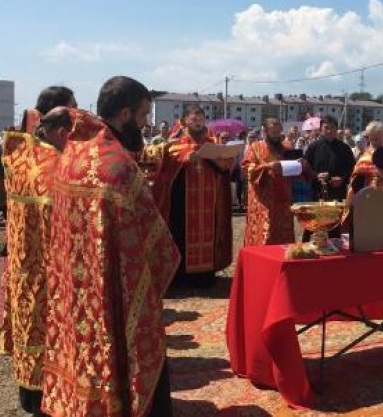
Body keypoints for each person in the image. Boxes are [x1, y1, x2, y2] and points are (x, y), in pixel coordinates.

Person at [41, 77, 180, 417]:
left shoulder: (74, 152)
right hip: (112, 292)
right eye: (142, 115)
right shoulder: (116, 164)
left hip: (76, 291)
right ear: (124, 114)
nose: (145, 123)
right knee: (122, 354)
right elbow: (155, 246)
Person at [0, 107, 72, 417]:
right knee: (44, 326)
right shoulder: (53, 166)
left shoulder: (19, 158)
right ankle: (44, 396)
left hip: (20, 262)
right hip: (45, 264)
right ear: (60, 133)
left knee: (28, 325)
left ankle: (28, 393)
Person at [143, 105, 233, 287]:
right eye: (194, 119)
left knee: (210, 234)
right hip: (183, 203)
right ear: (185, 122)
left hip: (210, 203)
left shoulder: (213, 144)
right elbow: (164, 168)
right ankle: (181, 277)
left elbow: (225, 167)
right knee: (180, 234)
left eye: (201, 119)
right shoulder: (174, 145)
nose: (198, 123)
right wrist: (184, 160)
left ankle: (206, 276)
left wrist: (219, 159)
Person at [241, 117, 297, 246]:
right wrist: (268, 166)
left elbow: (295, 171)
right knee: (265, 234)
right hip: (263, 200)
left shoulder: (286, 148)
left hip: (283, 199)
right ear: (265, 131)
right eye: (273, 133)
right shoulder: (255, 147)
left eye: (279, 132)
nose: (277, 136)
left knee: (284, 234)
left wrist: (300, 164)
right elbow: (247, 169)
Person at [303, 115, 355, 203]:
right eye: (326, 128)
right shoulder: (313, 147)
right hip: (317, 192)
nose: (329, 131)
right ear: (320, 129)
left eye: (332, 128)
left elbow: (352, 168)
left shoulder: (345, 148)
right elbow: (306, 168)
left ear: (337, 129)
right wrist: (316, 176)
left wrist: (342, 179)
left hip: (338, 193)